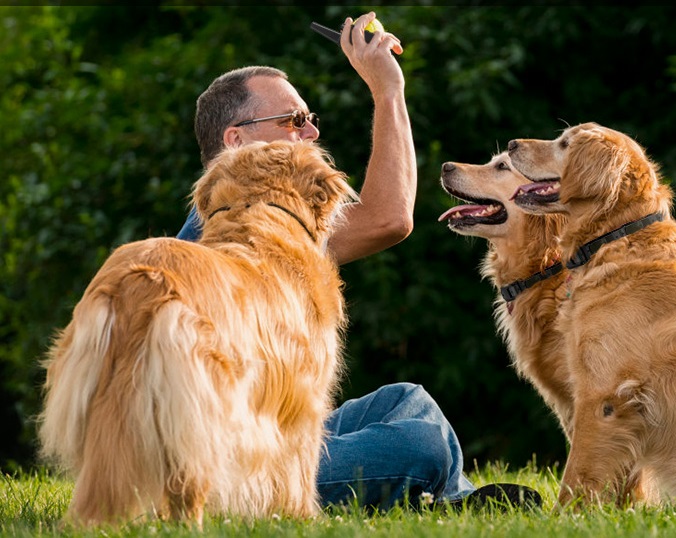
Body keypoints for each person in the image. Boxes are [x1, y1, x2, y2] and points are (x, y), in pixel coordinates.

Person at [175, 12, 541, 512]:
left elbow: (393, 217)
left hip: (275, 435)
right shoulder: (232, 226)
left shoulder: (276, 215)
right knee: (422, 446)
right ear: (235, 140)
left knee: (408, 401)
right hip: (239, 465)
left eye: (310, 120)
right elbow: (390, 218)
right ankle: (447, 498)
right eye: (293, 121)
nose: (310, 134)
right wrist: (387, 91)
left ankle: (447, 499)